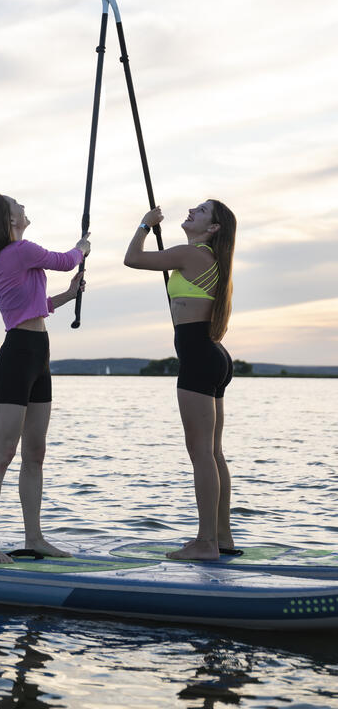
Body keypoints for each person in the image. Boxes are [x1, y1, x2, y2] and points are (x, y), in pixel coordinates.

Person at [0, 192, 90, 564]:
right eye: (15, 203)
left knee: (35, 453)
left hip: (39, 355)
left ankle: (34, 538)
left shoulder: (17, 259)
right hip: (17, 356)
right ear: (9, 220)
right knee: (4, 452)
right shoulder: (19, 252)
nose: (22, 205)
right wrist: (82, 249)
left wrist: (69, 295)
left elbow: (35, 306)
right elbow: (65, 259)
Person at [124, 199, 238, 561]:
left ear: (213, 228)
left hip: (199, 360)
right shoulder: (208, 260)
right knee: (213, 453)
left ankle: (206, 543)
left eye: (202, 211)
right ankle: (222, 537)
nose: (192, 210)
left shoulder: (192, 255)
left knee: (201, 453)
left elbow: (133, 259)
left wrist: (145, 225)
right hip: (213, 355)